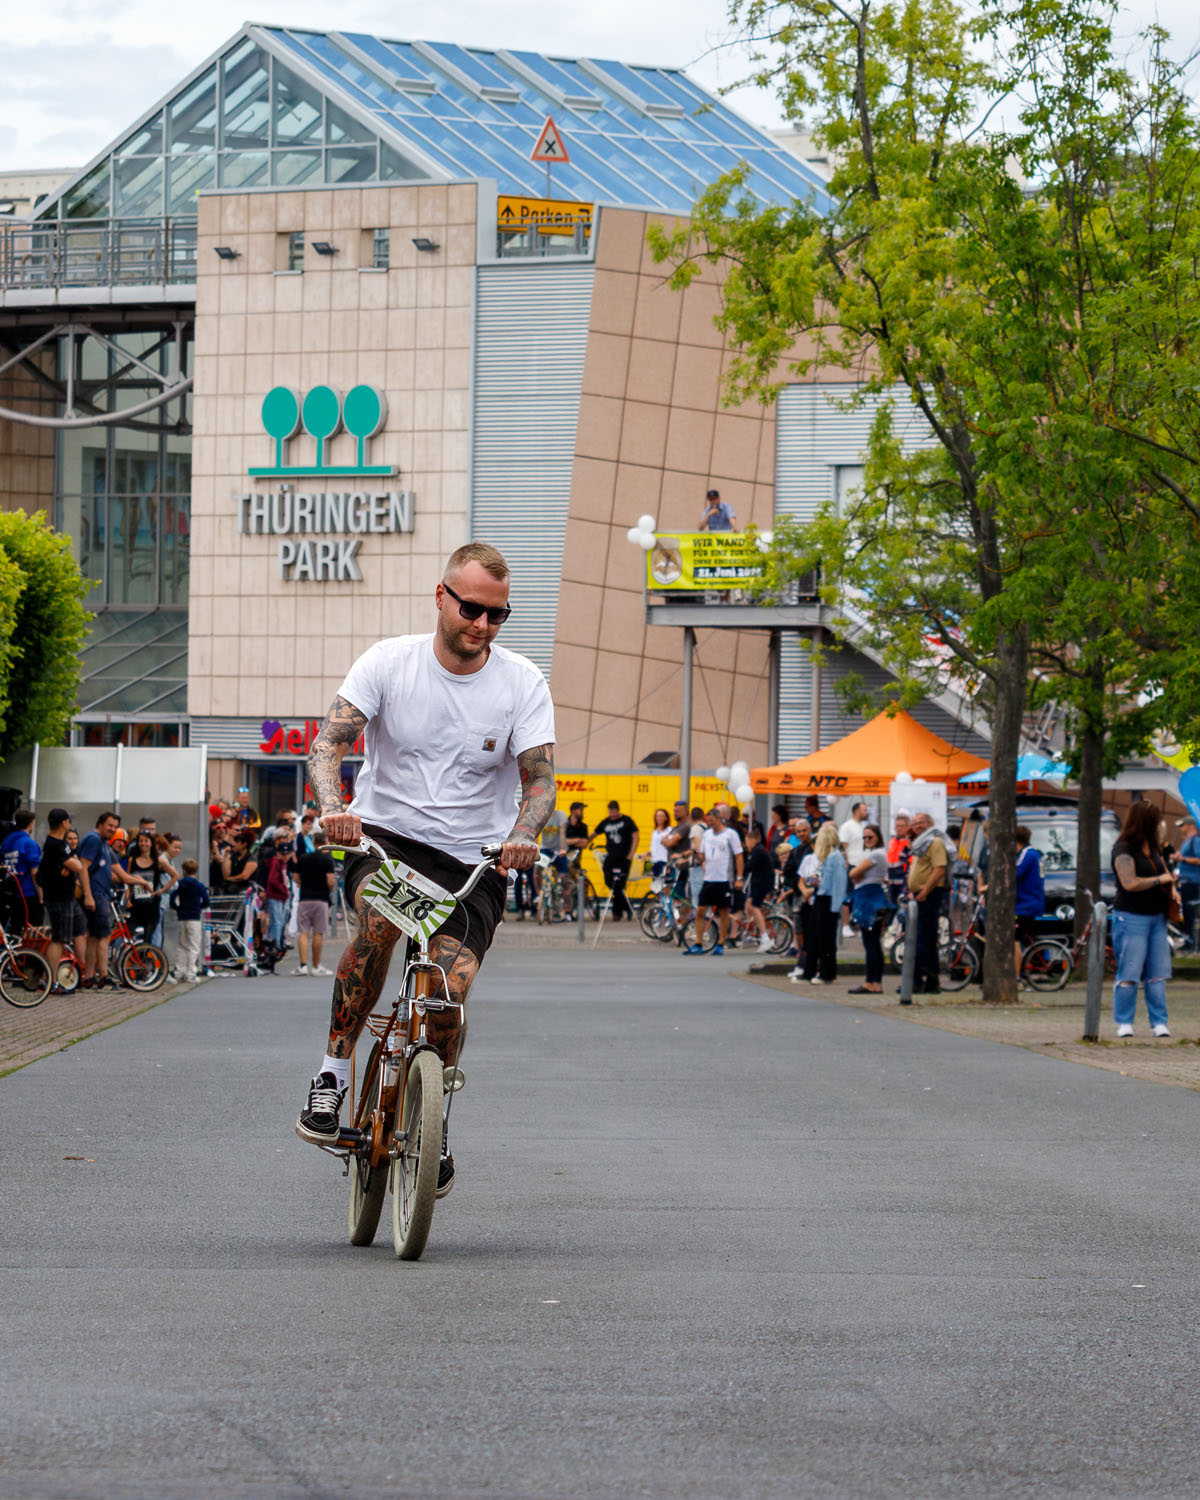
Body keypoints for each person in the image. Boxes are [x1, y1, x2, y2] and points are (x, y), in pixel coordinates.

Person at [295, 541, 555, 1200]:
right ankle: (331, 1075)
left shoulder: (523, 682)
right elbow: (329, 745)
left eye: (498, 616)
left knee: (448, 991)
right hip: (385, 840)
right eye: (472, 609)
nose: (483, 626)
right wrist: (334, 811)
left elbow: (541, 780)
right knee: (380, 925)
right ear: (442, 597)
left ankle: (433, 1123)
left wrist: (524, 834)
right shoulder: (389, 663)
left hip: (474, 862)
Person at [1111, 800, 1175, 1039]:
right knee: (1129, 970)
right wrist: (1160, 880)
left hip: (1156, 916)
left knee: (1157, 972)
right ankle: (1124, 1021)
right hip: (1131, 916)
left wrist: (1171, 889)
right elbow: (1130, 883)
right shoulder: (1123, 850)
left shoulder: (1155, 848)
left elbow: (1165, 874)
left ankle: (1159, 1022)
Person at [78, 811, 153, 990]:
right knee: (104, 936)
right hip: (96, 894)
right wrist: (88, 894)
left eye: (115, 826)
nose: (112, 829)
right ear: (101, 823)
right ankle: (104, 977)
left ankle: (89, 977)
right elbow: (83, 867)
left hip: (101, 894)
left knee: (95, 937)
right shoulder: (94, 839)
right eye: (109, 825)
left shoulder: (104, 845)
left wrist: (141, 881)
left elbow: (123, 876)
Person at [40, 808, 89, 994]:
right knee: (58, 938)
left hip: (64, 897)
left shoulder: (58, 844)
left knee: (67, 935)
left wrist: (71, 864)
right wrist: (72, 864)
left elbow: (74, 863)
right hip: (59, 898)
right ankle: (50, 981)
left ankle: (56, 977)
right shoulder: (56, 845)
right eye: (68, 820)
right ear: (64, 823)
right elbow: (77, 865)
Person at [684, 806, 743, 955]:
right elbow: (702, 854)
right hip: (709, 879)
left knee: (723, 912)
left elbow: (739, 856)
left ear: (719, 819)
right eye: (708, 821)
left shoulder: (730, 834)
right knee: (700, 910)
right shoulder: (707, 834)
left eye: (712, 821)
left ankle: (721, 943)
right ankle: (698, 942)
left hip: (724, 879)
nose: (710, 824)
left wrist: (739, 878)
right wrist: (700, 859)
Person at [799, 821, 848, 983]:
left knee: (826, 939)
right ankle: (810, 971)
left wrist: (835, 909)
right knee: (813, 936)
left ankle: (827, 973)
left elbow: (839, 884)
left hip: (828, 901)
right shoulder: (827, 858)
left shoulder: (836, 857)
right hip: (820, 897)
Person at [907, 811, 948, 994]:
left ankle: (916, 979)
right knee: (928, 939)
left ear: (930, 824)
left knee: (922, 939)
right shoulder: (921, 843)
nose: (918, 826)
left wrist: (924, 891)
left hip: (929, 895)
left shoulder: (934, 841)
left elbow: (939, 869)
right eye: (915, 823)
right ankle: (931, 981)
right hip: (919, 895)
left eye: (921, 822)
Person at [848, 824, 891, 993]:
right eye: (864, 837)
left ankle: (872, 981)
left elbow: (853, 874)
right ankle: (873, 981)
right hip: (869, 895)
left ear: (878, 837)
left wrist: (857, 874)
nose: (866, 840)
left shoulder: (876, 854)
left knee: (871, 941)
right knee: (871, 942)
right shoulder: (875, 854)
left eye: (870, 837)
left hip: (869, 897)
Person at [290, 832, 336, 975]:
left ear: (314, 842)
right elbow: (330, 881)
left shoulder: (304, 858)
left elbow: (296, 877)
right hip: (321, 899)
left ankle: (303, 965)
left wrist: (303, 884)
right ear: (326, 841)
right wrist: (328, 890)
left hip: (305, 899)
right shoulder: (328, 860)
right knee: (318, 933)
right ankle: (316, 967)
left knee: (303, 932)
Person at [123, 829, 174, 944]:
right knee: (131, 936)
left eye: (146, 841)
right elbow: (127, 880)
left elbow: (175, 875)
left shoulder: (158, 861)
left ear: (151, 843)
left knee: (148, 937)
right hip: (135, 905)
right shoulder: (132, 860)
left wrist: (163, 889)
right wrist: (127, 898)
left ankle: (146, 959)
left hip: (152, 906)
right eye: (141, 841)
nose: (143, 844)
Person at [169, 859, 210, 982]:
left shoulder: (179, 884)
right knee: (194, 946)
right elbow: (207, 901)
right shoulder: (199, 885)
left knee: (182, 945)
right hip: (194, 918)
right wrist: (198, 908)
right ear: (196, 871)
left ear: (184, 870)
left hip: (182, 917)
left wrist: (178, 908)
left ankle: (179, 972)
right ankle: (191, 974)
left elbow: (172, 898)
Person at [598, 800, 638, 921]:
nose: (613, 814)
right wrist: (586, 841)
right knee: (610, 881)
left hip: (624, 857)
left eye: (614, 811)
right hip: (611, 856)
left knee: (620, 884)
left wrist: (631, 854)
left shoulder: (627, 821)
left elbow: (635, 836)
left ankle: (617, 913)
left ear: (618, 810)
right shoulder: (606, 822)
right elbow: (595, 832)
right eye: (611, 812)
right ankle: (626, 907)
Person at [1, 808, 42, 927]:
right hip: (28, 893)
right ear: (31, 823)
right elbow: (35, 872)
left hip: (10, 892)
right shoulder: (29, 843)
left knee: (15, 930)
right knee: (33, 932)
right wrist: (41, 897)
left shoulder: (6, 842)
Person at [1014, 824, 1045, 980]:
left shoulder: (1027, 854)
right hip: (1029, 902)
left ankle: (1016, 976)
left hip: (1025, 905)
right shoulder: (1035, 854)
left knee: (1014, 939)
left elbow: (1015, 872)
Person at [743, 827, 776, 952]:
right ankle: (751, 929)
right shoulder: (759, 850)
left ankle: (764, 937)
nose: (746, 845)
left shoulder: (758, 851)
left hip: (762, 884)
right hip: (759, 883)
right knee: (748, 904)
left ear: (752, 840)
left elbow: (749, 867)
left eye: (746, 841)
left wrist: (739, 873)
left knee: (754, 908)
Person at [1174, 817, 1200, 950]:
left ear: (1190, 825)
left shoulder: (1195, 841)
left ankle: (1192, 942)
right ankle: (1189, 940)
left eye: (1182, 825)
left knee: (1190, 913)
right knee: (1187, 913)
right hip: (1187, 882)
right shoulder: (1188, 841)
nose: (1180, 828)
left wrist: (1182, 858)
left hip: (1192, 882)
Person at [562, 802, 590, 915]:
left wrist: (570, 841)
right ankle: (567, 911)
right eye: (580, 810)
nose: (582, 812)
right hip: (565, 860)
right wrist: (577, 840)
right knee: (567, 884)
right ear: (573, 811)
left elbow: (585, 844)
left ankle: (578, 910)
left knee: (581, 885)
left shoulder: (583, 827)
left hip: (576, 862)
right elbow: (562, 841)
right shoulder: (564, 825)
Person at [649, 808, 672, 877]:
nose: (659, 818)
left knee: (664, 884)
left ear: (666, 818)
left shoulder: (669, 830)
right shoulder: (654, 832)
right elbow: (655, 847)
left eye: (661, 816)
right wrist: (648, 853)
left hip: (665, 861)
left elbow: (671, 845)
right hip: (655, 862)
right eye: (657, 816)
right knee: (656, 884)